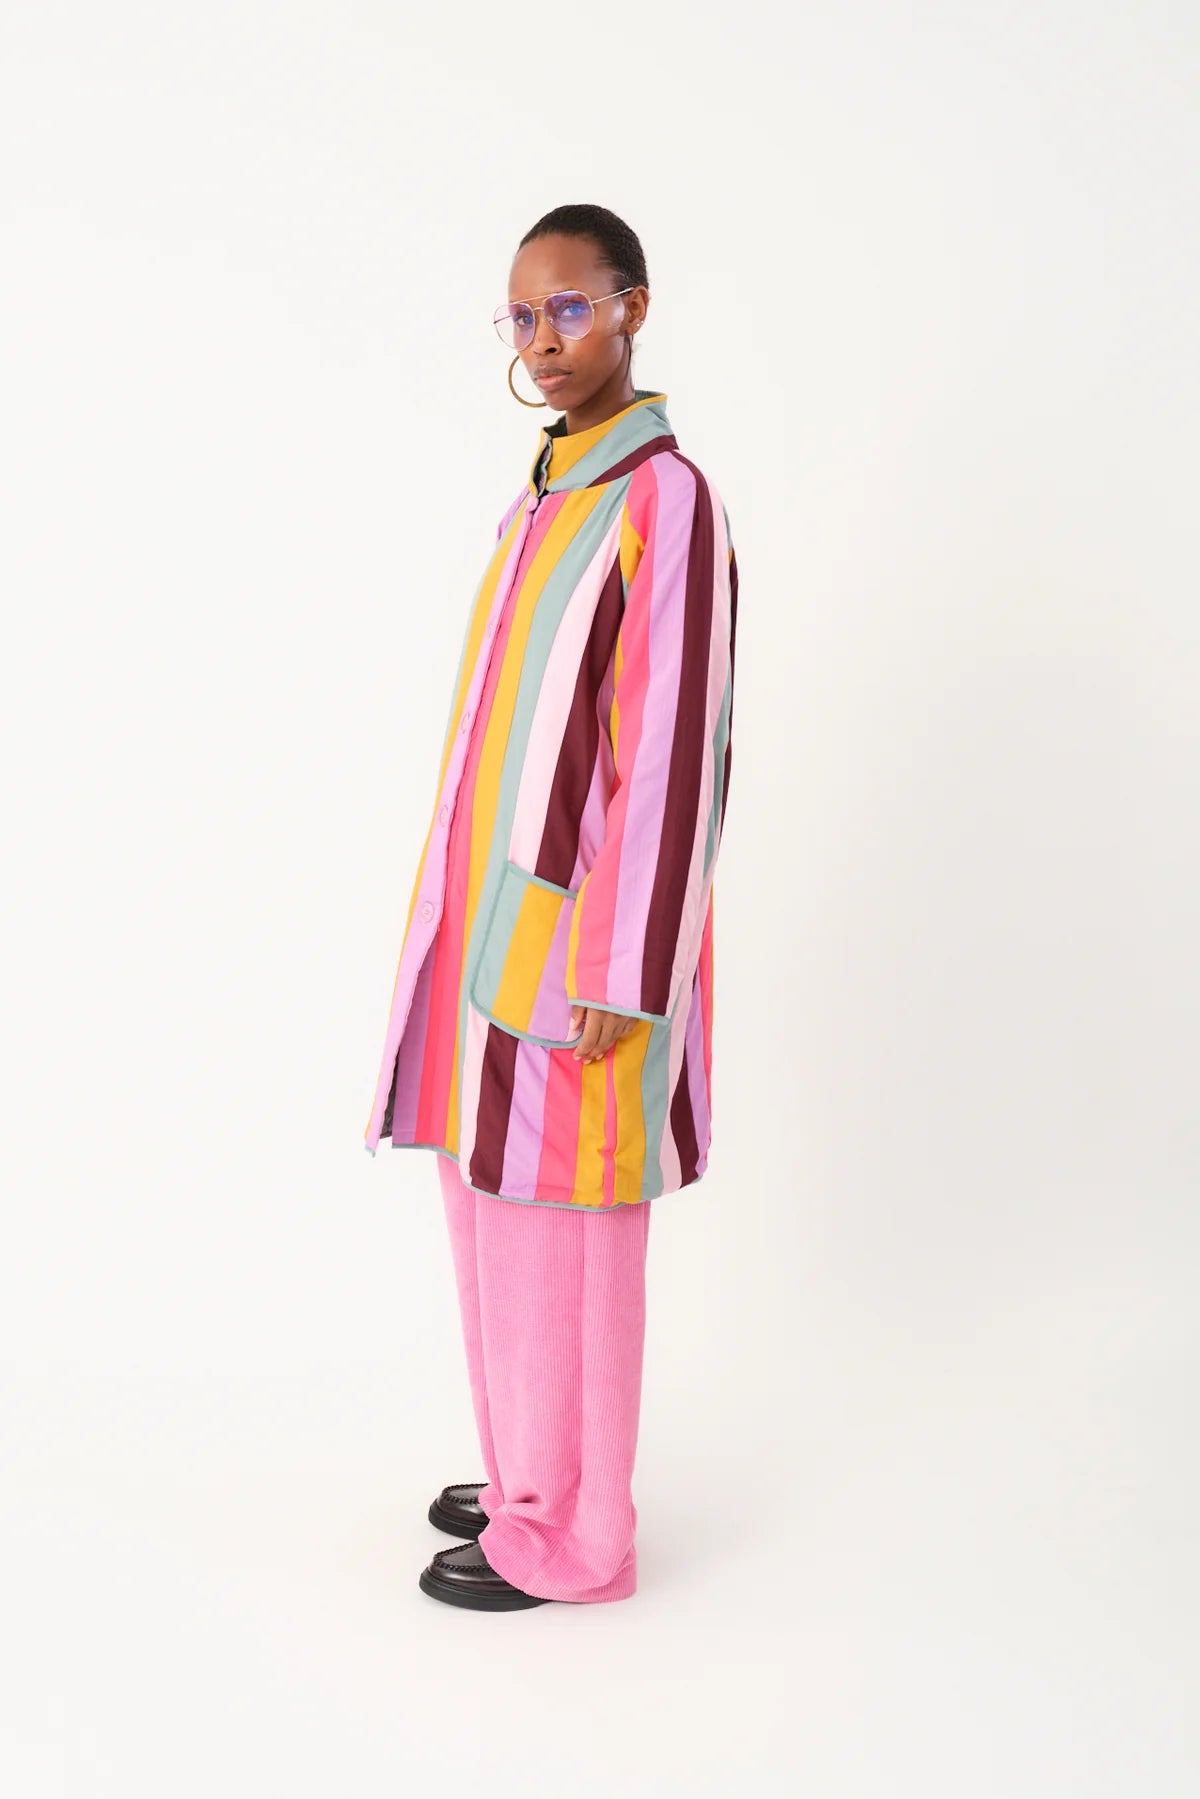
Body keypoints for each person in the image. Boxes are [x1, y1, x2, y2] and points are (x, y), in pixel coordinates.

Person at [362, 203, 739, 1610]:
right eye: (523, 317)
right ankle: (527, 1463)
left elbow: (676, 749)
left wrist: (623, 965)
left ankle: (579, 1532)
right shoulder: (543, 499)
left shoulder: (663, 500)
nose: (544, 339)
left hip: (585, 947)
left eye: (570, 307)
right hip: (486, 923)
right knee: (490, 1202)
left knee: (569, 1225)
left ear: (632, 306)